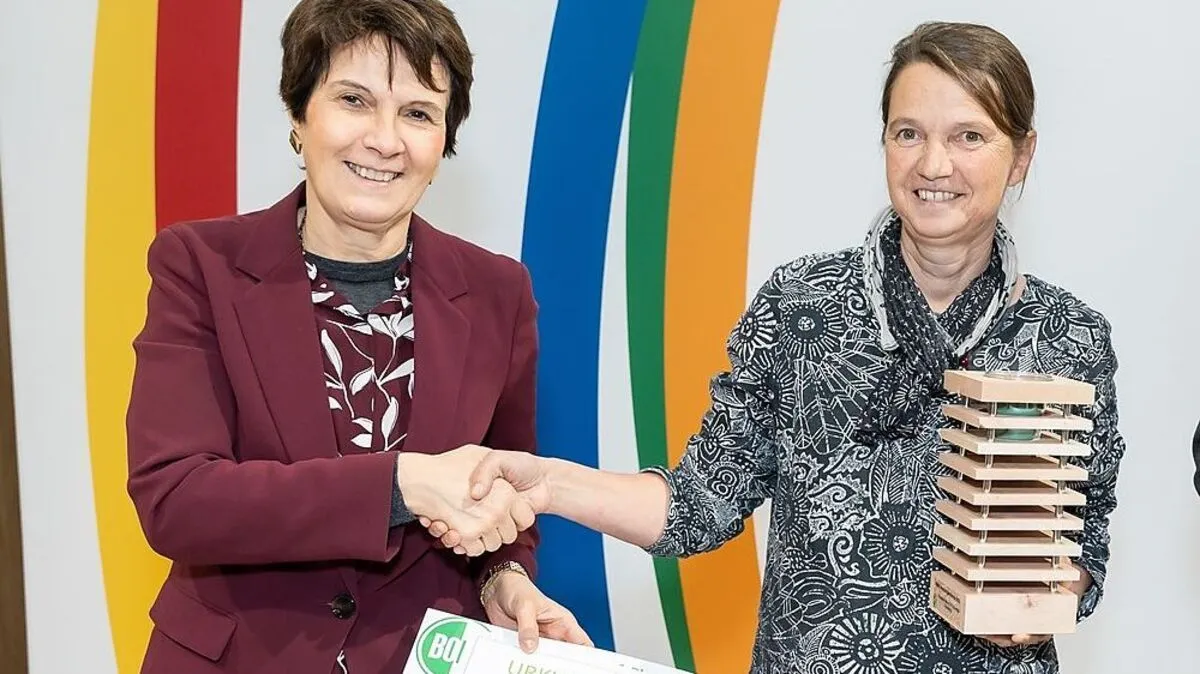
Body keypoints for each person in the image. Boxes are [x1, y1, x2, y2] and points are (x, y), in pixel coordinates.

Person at [433, 21, 1127, 674]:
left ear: (1021, 155)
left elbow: (1084, 542)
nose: (934, 163)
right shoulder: (803, 305)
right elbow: (699, 502)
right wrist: (551, 483)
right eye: (908, 133)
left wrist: (1045, 596)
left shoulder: (1067, 337)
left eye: (970, 136)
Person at [124, 1, 588, 672]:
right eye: (354, 100)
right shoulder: (199, 265)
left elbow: (504, 486)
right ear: (299, 115)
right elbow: (177, 500)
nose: (385, 139)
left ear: (444, 142)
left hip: (422, 655)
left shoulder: (499, 292)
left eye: (418, 113)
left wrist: (504, 579)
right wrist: (401, 484)